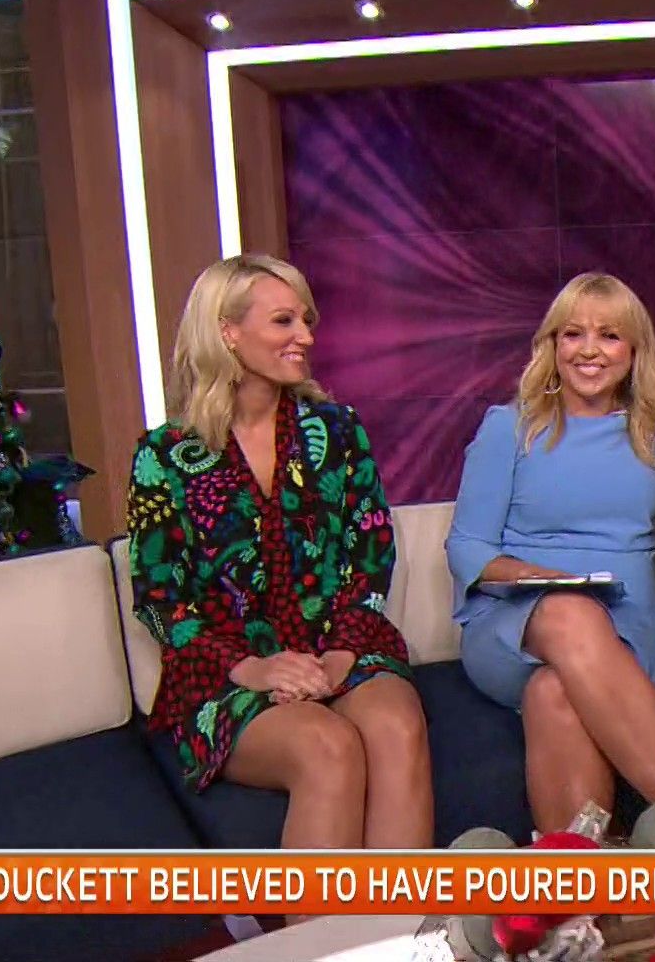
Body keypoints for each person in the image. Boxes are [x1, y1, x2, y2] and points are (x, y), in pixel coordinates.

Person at [128, 254, 433, 862]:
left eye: (306, 320)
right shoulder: (165, 455)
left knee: (396, 727)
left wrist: (342, 652)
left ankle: (401, 920)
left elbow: (371, 554)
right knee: (327, 746)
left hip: (341, 645)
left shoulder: (337, 430)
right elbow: (160, 598)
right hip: (228, 671)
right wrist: (252, 668)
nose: (306, 337)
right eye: (283, 321)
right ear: (227, 332)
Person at [447, 273, 655, 835]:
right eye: (573, 334)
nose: (589, 350)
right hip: (515, 623)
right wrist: (534, 577)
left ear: (634, 351)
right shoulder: (509, 428)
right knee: (569, 612)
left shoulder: (653, 433)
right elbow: (468, 546)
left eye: (609, 335)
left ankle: (578, 880)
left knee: (554, 692)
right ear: (552, 345)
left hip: (629, 626)